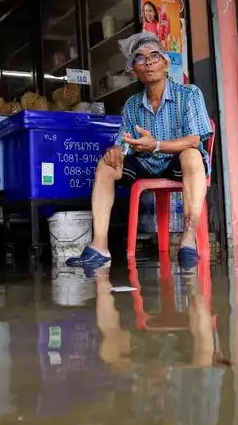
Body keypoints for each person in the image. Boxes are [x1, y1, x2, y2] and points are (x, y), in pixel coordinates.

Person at [66, 32, 213, 269]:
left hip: (178, 163)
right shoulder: (132, 105)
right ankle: (100, 247)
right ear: (134, 69)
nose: (149, 62)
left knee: (192, 154)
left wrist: (156, 145)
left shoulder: (189, 94)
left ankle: (188, 240)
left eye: (154, 55)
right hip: (146, 164)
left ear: (165, 63)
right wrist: (116, 150)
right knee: (106, 163)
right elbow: (123, 143)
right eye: (140, 58)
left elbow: (195, 139)